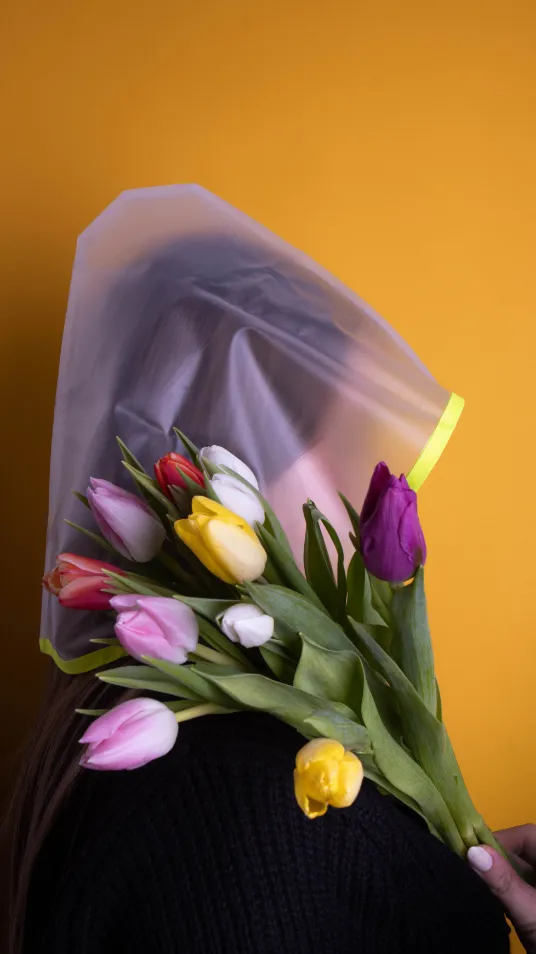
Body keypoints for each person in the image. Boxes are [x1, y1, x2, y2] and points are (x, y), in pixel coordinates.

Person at [7, 186, 530, 952]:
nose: (363, 486)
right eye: (332, 440)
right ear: (220, 467)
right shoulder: (242, 816)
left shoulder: (213, 771)